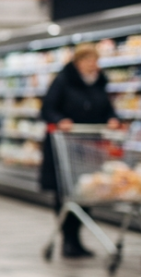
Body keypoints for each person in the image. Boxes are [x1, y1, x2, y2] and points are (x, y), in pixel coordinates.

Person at [39, 43, 119, 257]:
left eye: (95, 60)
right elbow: (47, 108)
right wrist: (60, 120)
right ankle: (68, 239)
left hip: (90, 148)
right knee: (65, 193)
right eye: (89, 60)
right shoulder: (63, 81)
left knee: (87, 192)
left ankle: (77, 240)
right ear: (78, 62)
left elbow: (107, 108)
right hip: (65, 149)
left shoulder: (100, 83)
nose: (93, 65)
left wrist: (112, 119)